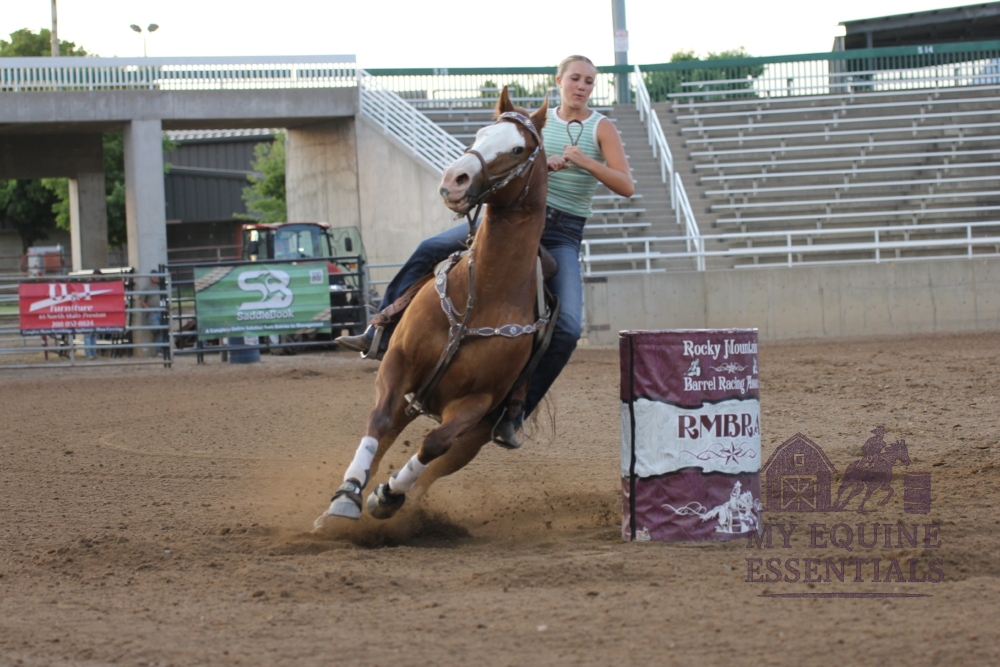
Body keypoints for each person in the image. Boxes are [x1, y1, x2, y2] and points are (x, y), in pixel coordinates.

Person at [338, 55, 633, 447]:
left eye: (589, 81)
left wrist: (584, 162)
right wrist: (541, 166)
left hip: (560, 234)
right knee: (430, 248)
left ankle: (514, 412)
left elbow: (626, 185)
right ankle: (380, 328)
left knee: (568, 328)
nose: (582, 86)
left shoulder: (601, 127)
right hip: (511, 223)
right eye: (575, 78)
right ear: (559, 80)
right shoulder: (533, 123)